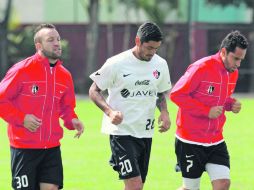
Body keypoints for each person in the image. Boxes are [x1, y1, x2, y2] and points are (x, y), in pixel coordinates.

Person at [0, 23, 84, 190]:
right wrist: (22, 119)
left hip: (52, 148)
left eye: (58, 39)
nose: (57, 43)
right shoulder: (21, 70)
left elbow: (66, 108)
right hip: (24, 149)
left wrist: (72, 120)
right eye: (50, 39)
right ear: (39, 45)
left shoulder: (65, 75)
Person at [89, 21, 172, 190]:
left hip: (145, 132)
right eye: (149, 48)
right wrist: (110, 112)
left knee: (138, 185)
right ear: (137, 41)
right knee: (134, 185)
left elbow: (159, 91)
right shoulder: (116, 63)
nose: (152, 53)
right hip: (122, 132)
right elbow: (94, 90)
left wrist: (164, 112)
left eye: (156, 48)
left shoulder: (160, 64)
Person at [170, 30, 248, 190]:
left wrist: (230, 104)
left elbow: (220, 100)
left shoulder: (232, 73)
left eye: (241, 60)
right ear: (224, 52)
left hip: (216, 140)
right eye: (236, 59)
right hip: (190, 140)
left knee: (223, 184)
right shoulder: (201, 67)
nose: (238, 64)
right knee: (190, 188)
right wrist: (206, 111)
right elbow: (177, 95)